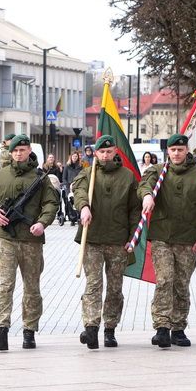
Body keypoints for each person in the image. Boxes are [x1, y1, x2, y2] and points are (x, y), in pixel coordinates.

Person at [0, 135, 58, 351]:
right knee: (6, 285)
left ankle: (29, 330)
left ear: (29, 150)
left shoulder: (41, 178)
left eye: (22, 150)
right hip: (5, 239)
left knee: (32, 287)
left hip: (31, 240)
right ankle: (1, 330)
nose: (18, 154)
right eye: (15, 150)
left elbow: (51, 204)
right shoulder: (0, 176)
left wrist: (42, 223)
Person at [140, 134, 196, 348]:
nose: (176, 154)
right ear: (168, 152)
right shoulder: (158, 171)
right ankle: (162, 327)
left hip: (187, 239)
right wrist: (147, 195)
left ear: (186, 151)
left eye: (180, 150)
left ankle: (178, 327)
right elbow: (144, 185)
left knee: (181, 284)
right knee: (164, 280)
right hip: (162, 236)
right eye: (172, 150)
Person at [71, 135, 140, 349]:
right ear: (96, 153)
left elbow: (134, 210)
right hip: (92, 239)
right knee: (93, 285)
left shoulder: (127, 176)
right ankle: (91, 328)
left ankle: (110, 328)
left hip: (118, 241)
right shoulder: (88, 173)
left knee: (114, 288)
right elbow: (79, 191)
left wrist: (132, 238)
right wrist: (83, 207)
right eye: (101, 152)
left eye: (109, 152)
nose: (105, 155)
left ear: (115, 152)